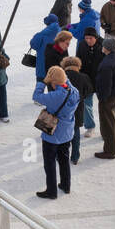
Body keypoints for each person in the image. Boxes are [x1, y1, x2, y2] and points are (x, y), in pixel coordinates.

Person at [33, 66, 79, 199]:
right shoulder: (74, 91)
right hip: (67, 132)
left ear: (54, 82)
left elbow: (36, 96)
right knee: (64, 160)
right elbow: (65, 82)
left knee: (50, 163)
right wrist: (60, 76)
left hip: (52, 135)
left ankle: (51, 191)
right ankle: (66, 185)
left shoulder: (55, 96)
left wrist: (42, 82)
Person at [61, 56, 93, 165]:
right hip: (78, 108)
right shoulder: (83, 77)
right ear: (78, 65)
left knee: (62, 133)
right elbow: (89, 91)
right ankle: (75, 157)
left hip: (63, 108)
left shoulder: (61, 77)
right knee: (76, 133)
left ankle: (62, 156)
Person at [77, 26, 103, 139]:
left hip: (101, 81)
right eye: (86, 38)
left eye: (90, 38)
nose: (88, 40)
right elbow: (78, 60)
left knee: (104, 106)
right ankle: (90, 126)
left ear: (96, 38)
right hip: (87, 80)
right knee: (86, 104)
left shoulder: (103, 45)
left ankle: (106, 130)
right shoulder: (82, 45)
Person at [29, 13, 61, 82]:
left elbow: (33, 45)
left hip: (42, 69)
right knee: (55, 91)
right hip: (56, 69)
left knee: (39, 90)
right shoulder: (61, 33)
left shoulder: (41, 35)